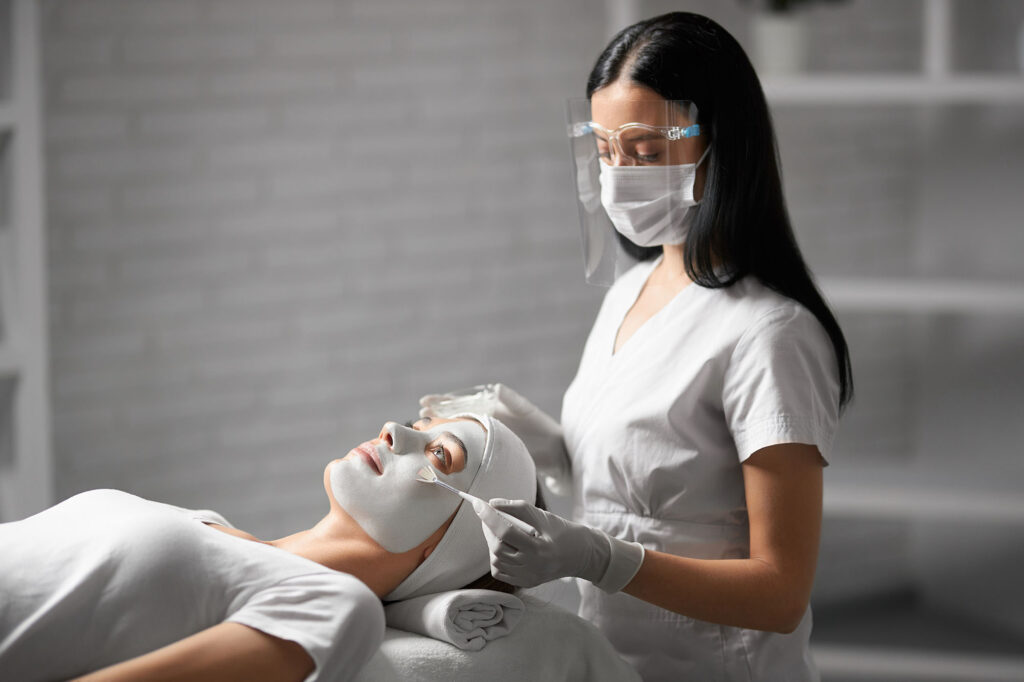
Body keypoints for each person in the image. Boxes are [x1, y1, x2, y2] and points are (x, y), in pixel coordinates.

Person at [421, 11, 853, 682]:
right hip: (614, 661)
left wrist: (597, 559)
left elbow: (778, 592)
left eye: (646, 152)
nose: (621, 174)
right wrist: (535, 442)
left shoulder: (771, 336)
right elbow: (646, 480)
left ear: (724, 143)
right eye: (605, 150)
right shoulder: (632, 290)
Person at [0, 413, 537, 682]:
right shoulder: (212, 527)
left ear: (442, 548)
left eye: (440, 454)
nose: (395, 430)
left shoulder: (331, 607)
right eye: (419, 424)